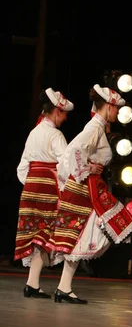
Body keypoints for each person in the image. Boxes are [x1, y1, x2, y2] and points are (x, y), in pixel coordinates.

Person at [48, 83, 132, 304]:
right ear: (107, 106)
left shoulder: (97, 127)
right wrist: (88, 168)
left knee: (88, 232)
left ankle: (64, 287)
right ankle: (64, 287)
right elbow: (75, 150)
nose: (117, 112)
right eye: (115, 108)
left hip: (90, 186)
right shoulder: (94, 128)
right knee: (88, 232)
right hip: (86, 187)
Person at [15, 88, 73, 298]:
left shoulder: (34, 132)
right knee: (45, 235)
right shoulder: (55, 135)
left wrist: (31, 183)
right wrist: (64, 187)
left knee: (35, 235)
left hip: (30, 189)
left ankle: (32, 283)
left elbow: (22, 168)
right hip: (48, 188)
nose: (65, 118)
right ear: (56, 111)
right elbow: (66, 164)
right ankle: (33, 284)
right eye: (64, 113)